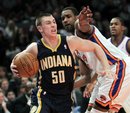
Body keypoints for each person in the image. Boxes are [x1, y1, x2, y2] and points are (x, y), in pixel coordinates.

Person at [10, 12, 111, 113]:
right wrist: (12, 66)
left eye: (54, 22)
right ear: (40, 28)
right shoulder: (35, 47)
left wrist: (106, 67)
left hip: (64, 98)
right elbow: (17, 60)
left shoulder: (70, 42)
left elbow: (95, 47)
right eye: (48, 23)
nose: (53, 25)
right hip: (44, 96)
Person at [75, 6, 130, 113]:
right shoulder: (105, 42)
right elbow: (87, 76)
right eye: (111, 24)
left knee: (100, 109)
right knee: (93, 109)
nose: (113, 26)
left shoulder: (127, 43)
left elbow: (83, 28)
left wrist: (81, 22)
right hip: (105, 76)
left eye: (116, 24)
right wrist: (91, 82)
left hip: (120, 70)